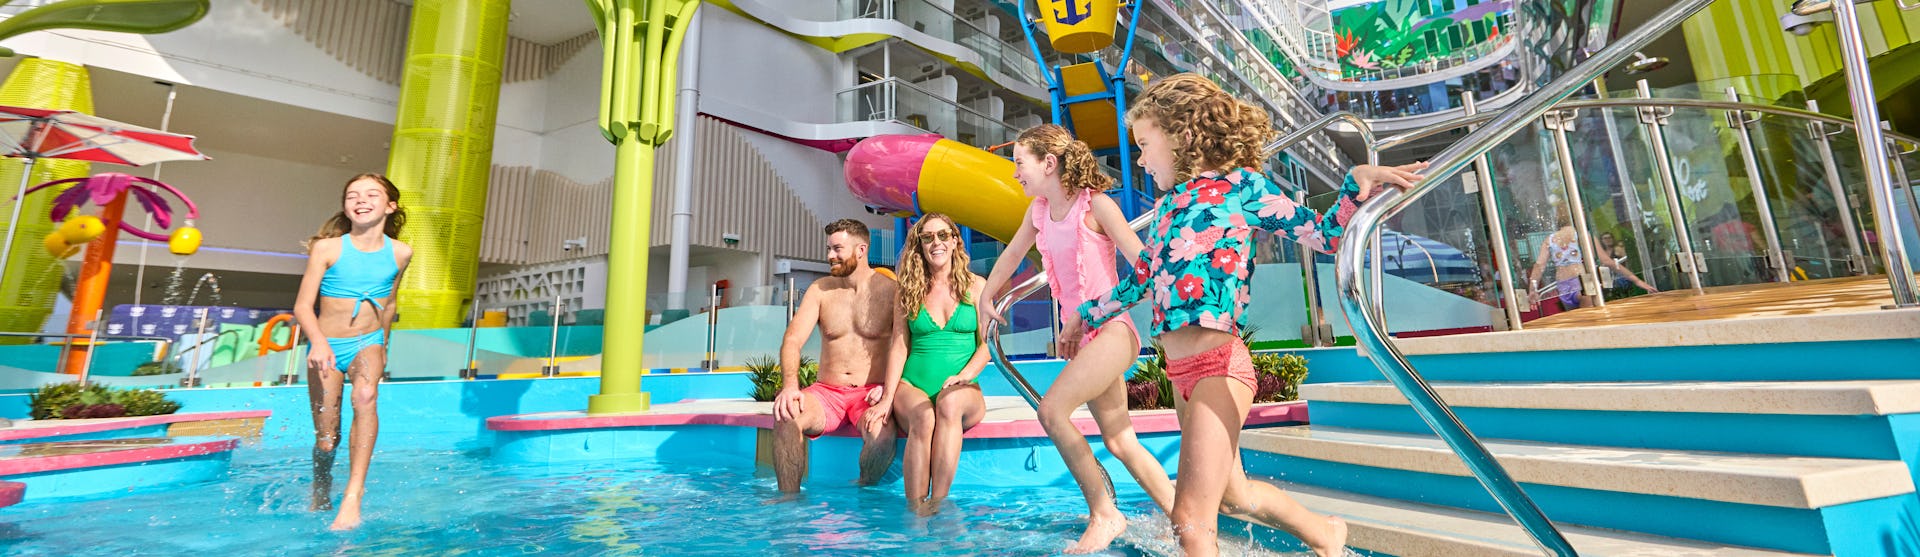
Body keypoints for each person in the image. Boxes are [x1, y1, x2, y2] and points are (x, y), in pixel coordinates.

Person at [1077, 73, 1426, 556]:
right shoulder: (1165, 209)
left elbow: (1322, 236)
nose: (1138, 158)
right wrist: (1087, 314)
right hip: (1179, 372)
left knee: (1189, 517)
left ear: (1183, 136)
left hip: (1218, 367)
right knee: (1233, 498)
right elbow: (1141, 278)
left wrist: (1353, 186)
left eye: (1143, 143)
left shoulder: (1241, 187)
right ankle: (1326, 533)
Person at [979, 123, 1175, 553]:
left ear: (1049, 163)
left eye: (1019, 164)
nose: (1015, 174)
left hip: (1111, 331)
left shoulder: (1097, 206)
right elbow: (1012, 255)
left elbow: (1143, 266)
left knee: (1051, 411)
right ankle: (1186, 520)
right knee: (1120, 440)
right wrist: (985, 298)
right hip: (1082, 342)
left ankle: (1105, 514)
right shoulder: (1038, 213)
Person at [292, 173, 413, 531]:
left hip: (368, 341)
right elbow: (302, 306)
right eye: (352, 195)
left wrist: (384, 347)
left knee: (365, 394)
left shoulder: (400, 252)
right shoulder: (328, 248)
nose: (361, 200)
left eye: (372, 194)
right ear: (345, 206)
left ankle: (353, 496)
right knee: (327, 440)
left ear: (390, 206)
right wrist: (317, 341)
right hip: (327, 346)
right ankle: (322, 487)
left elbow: (389, 304)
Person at [771, 219, 900, 492]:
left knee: (882, 437)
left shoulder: (891, 292)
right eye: (829, 248)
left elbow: (906, 345)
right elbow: (793, 339)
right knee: (787, 418)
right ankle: (788, 504)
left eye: (837, 249)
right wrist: (790, 387)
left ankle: (862, 492)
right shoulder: (821, 290)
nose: (830, 256)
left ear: (861, 250)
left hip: (870, 393)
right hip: (826, 394)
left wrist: (890, 391)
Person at [878, 213, 989, 513]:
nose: (935, 242)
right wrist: (887, 398)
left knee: (949, 404)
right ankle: (915, 510)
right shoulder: (908, 288)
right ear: (920, 245)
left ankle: (937, 503)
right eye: (927, 237)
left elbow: (988, 345)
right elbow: (899, 345)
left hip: (963, 387)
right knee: (924, 418)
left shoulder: (977, 287)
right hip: (913, 383)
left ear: (955, 240)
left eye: (942, 235)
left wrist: (964, 376)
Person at [1527, 222, 1656, 312]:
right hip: (1582, 285)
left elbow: (1539, 266)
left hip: (1563, 287)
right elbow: (1607, 261)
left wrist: (1532, 290)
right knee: (1590, 324)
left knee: (1577, 328)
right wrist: (1637, 280)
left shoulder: (1550, 239)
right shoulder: (1583, 235)